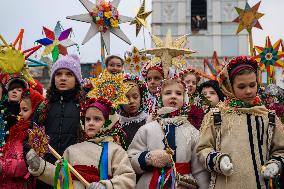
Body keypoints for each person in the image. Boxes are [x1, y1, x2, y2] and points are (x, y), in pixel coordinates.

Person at [26, 70, 136, 189]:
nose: (91, 123)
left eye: (97, 119)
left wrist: (107, 186)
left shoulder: (115, 150)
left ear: (109, 122)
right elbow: (61, 179)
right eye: (87, 119)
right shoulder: (71, 150)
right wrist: (40, 167)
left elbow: (128, 178)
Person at [196, 56, 284, 189]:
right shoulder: (216, 116)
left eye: (252, 85)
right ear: (230, 86)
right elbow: (203, 149)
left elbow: (280, 150)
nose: (248, 91)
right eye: (241, 86)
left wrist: (275, 164)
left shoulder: (268, 117)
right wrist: (218, 160)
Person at [128, 78, 209, 189]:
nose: (173, 96)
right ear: (160, 98)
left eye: (178, 93)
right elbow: (130, 159)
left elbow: (199, 169)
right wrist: (148, 158)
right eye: (168, 93)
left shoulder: (192, 132)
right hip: (151, 182)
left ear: (184, 98)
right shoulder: (147, 129)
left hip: (183, 184)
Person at [29, 54, 84, 189]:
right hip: (46, 172)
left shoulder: (84, 106)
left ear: (76, 79)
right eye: (58, 74)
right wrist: (31, 154)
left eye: (69, 74)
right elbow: (31, 136)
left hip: (75, 172)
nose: (63, 78)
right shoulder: (44, 106)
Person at [0, 89, 44, 189]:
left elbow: (26, 165)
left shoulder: (35, 135)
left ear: (35, 111)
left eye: (25, 110)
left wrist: (3, 166)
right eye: (20, 110)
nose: (20, 113)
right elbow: (8, 151)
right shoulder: (16, 130)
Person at [117, 74, 149, 150]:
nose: (131, 101)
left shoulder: (148, 120)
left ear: (141, 96)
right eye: (126, 98)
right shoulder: (116, 123)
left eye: (135, 97)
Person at [2, 78, 28, 142]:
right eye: (11, 89)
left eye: (19, 90)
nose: (14, 91)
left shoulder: (27, 110)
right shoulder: (1, 108)